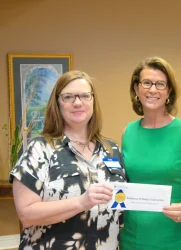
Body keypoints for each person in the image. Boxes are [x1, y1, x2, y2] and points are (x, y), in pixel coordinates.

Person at [9, 70, 126, 250]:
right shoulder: (40, 149)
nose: (77, 102)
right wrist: (81, 202)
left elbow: (122, 205)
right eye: (68, 97)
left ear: (93, 100)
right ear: (57, 103)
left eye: (85, 96)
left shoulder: (112, 149)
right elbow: (26, 214)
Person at [119, 56, 181, 250]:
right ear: (136, 89)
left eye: (160, 84)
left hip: (173, 236)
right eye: (146, 83)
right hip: (133, 236)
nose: (153, 90)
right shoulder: (128, 132)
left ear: (169, 91)